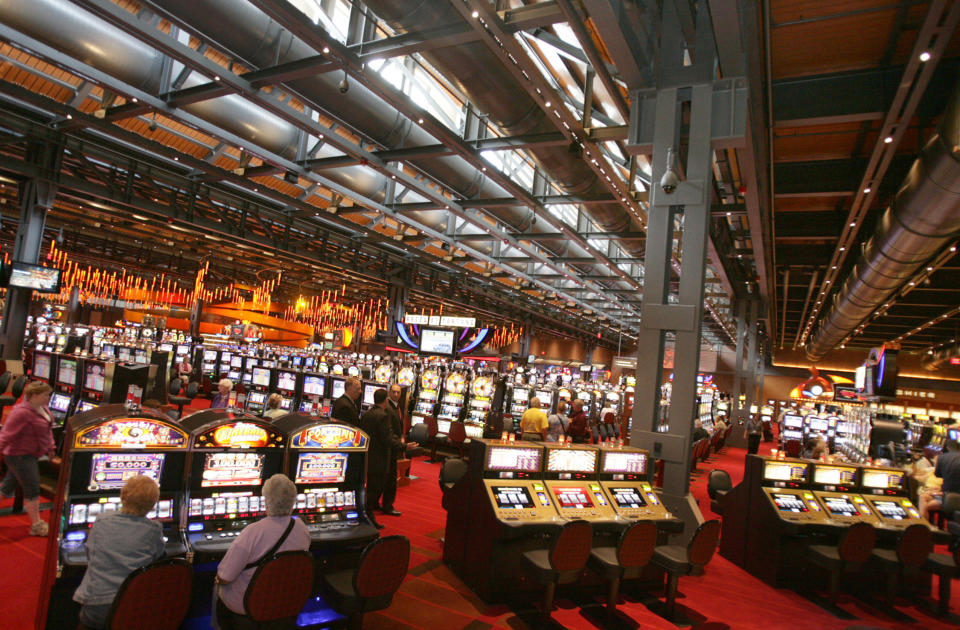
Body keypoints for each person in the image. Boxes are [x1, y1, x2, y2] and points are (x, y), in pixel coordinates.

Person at [216, 474, 311, 628]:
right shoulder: (301, 528)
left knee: (217, 586)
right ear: (293, 500)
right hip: (287, 600)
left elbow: (224, 577)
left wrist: (218, 579)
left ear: (266, 501)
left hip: (249, 605)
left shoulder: (253, 532)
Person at [73, 475, 166, 629]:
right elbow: (159, 558)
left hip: (97, 604)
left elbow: (91, 554)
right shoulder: (154, 529)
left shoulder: (102, 520)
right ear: (153, 504)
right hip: (133, 606)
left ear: (123, 496)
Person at [0, 380, 56, 536]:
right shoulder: (21, 412)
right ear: (34, 395)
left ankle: (36, 523)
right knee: (32, 488)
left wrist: (51, 447)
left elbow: (48, 429)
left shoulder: (42, 408)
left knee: (6, 488)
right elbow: (6, 435)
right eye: (46, 395)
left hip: (31, 453)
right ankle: (37, 525)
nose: (49, 398)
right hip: (19, 455)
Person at [356, 389, 401, 529]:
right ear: (386, 400)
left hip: (367, 456)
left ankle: (366, 514)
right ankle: (367, 516)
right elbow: (387, 439)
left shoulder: (367, 413)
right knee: (375, 489)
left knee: (369, 488)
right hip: (379, 458)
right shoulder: (383, 416)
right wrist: (404, 447)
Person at [380, 384, 408, 516]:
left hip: (394, 445)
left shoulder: (396, 407)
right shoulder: (389, 408)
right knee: (390, 478)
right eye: (394, 392)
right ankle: (387, 505)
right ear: (389, 393)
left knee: (389, 477)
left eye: (398, 392)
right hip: (391, 446)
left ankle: (382, 503)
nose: (396, 394)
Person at [922, 439, 960, 521]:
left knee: (924, 502)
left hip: (949, 498)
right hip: (947, 494)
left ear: (947, 448)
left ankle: (924, 527)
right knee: (925, 497)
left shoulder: (942, 457)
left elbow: (938, 475)